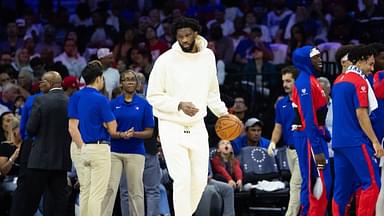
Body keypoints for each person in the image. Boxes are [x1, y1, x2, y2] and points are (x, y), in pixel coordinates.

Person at [146, 16, 229, 216]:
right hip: (172, 125)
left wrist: (225, 115)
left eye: (187, 35)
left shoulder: (208, 56)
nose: (184, 40)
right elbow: (153, 96)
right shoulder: (165, 60)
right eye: (180, 36)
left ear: (195, 34)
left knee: (200, 179)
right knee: (181, 178)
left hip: (197, 125)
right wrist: (178, 105)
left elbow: (212, 93)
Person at [68, 61, 130, 216]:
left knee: (85, 191)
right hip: (98, 148)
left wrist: (82, 147)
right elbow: (113, 127)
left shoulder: (76, 96)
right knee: (97, 194)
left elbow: (72, 127)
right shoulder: (101, 99)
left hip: (80, 148)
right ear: (98, 78)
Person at [332, 45, 384, 215]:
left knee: (341, 191)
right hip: (355, 141)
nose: (372, 69)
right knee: (372, 184)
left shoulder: (338, 80)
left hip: (339, 143)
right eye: (370, 64)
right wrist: (375, 142)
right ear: (360, 60)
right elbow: (361, 114)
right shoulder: (359, 81)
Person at [103, 70, 154, 216]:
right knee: (110, 188)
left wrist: (134, 134)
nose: (130, 82)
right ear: (121, 83)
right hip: (114, 151)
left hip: (136, 152)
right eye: (126, 79)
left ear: (137, 84)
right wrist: (120, 134)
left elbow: (149, 131)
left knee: (136, 191)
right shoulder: (112, 104)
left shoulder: (144, 105)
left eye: (133, 79)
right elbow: (107, 126)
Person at [20, 71, 71, 215]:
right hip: (61, 159)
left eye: (42, 81)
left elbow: (30, 129)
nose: (40, 84)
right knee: (59, 200)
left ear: (51, 83)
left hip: (39, 160)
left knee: (31, 200)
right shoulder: (70, 101)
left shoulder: (41, 100)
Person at [291, 46, 331, 216]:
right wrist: (316, 149)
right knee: (316, 183)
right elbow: (308, 118)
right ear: (305, 60)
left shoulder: (311, 79)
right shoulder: (304, 83)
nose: (320, 59)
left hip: (314, 137)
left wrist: (325, 134)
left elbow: (318, 115)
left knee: (319, 184)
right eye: (315, 57)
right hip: (309, 140)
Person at [267, 65, 301, 216]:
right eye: (283, 81)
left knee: (296, 185)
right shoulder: (281, 103)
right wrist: (273, 142)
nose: (285, 85)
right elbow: (278, 127)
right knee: (299, 185)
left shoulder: (305, 101)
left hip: (303, 149)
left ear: (296, 81)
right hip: (289, 150)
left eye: (289, 81)